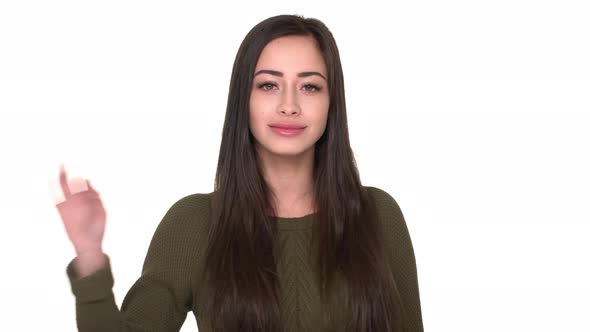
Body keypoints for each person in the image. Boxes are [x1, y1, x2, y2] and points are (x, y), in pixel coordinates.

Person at [55, 14, 424, 332]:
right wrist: (89, 256)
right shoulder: (196, 222)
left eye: (309, 86)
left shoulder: (378, 214)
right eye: (268, 85)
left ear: (331, 103)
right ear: (242, 101)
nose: (289, 105)